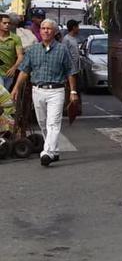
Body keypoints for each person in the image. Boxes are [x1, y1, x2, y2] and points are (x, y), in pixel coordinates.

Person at [10, 19, 79, 167]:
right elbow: (24, 71)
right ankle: (54, 151)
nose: (46, 31)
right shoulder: (33, 50)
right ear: (40, 31)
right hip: (38, 91)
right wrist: (16, 88)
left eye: (49, 29)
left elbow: (70, 72)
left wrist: (73, 91)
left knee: (53, 123)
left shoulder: (62, 49)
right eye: (43, 28)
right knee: (43, 123)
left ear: (54, 32)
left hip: (57, 91)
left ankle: (47, 152)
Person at [0, 14, 23, 92]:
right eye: (4, 23)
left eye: (9, 23)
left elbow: (20, 56)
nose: (7, 25)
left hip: (9, 73)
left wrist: (14, 68)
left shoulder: (15, 38)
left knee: (4, 98)